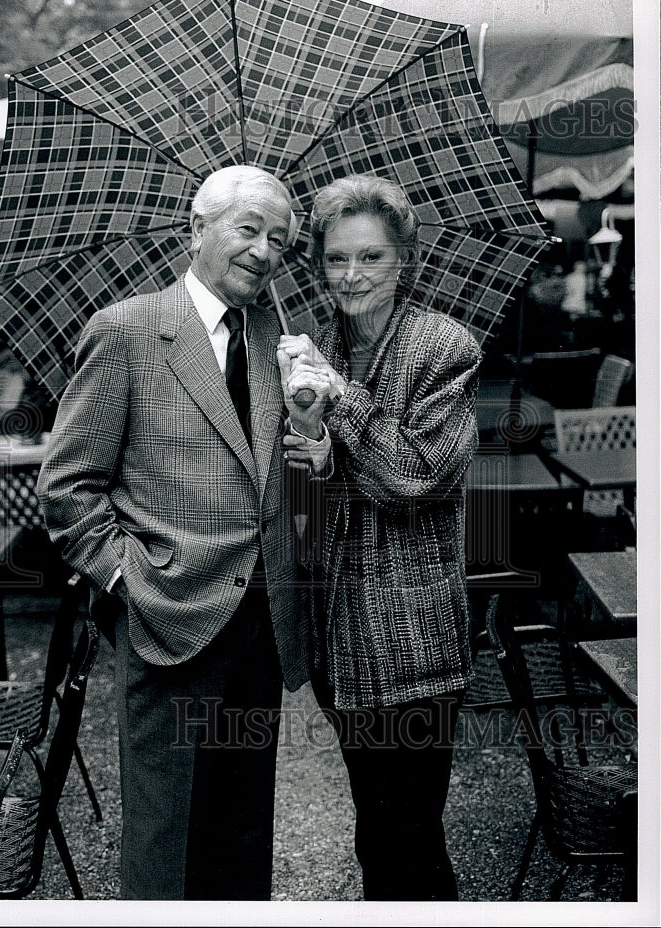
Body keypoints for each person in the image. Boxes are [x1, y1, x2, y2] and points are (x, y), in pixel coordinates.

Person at [36, 165, 329, 900]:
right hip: (165, 619)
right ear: (198, 229)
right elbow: (67, 488)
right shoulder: (127, 330)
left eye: (281, 240)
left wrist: (314, 430)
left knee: (242, 828)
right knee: (165, 838)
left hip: (262, 622)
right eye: (249, 229)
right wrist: (128, 581)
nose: (266, 252)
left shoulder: (283, 336)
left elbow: (292, 488)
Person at [278, 174, 482, 901]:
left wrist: (337, 394)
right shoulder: (314, 346)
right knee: (375, 828)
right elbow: (316, 499)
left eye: (370, 257)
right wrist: (314, 454)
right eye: (336, 259)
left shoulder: (444, 349)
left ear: (404, 259)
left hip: (413, 645)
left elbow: (415, 477)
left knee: (410, 836)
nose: (352, 275)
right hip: (341, 640)